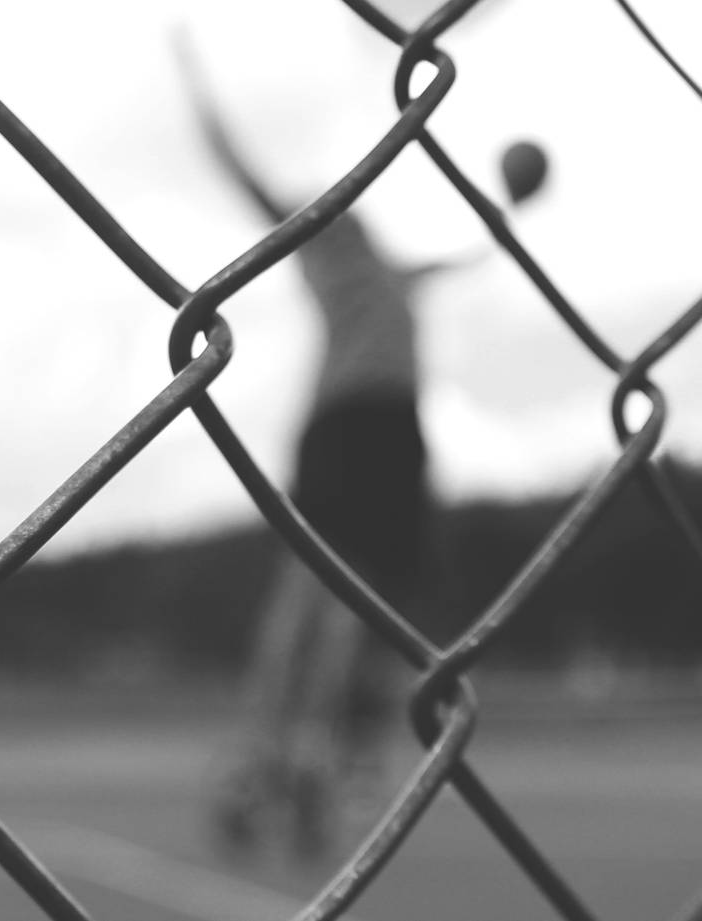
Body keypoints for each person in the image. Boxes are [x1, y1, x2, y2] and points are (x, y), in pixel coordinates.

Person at [176, 42, 455, 860]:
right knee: (308, 605)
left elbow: (454, 262)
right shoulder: (322, 243)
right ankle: (263, 760)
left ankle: (307, 765)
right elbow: (241, 170)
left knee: (356, 618)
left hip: (397, 439)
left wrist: (505, 225)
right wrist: (197, 88)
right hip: (346, 429)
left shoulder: (392, 269)